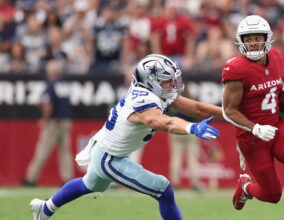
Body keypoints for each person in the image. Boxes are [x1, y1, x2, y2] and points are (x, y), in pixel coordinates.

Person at [29, 54, 223, 220]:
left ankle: (45, 209)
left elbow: (197, 108)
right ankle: (45, 209)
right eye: (167, 80)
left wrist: (232, 115)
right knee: (164, 190)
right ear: (151, 81)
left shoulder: (155, 91)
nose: (173, 84)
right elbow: (162, 122)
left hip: (105, 150)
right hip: (110, 158)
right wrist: (191, 127)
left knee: (88, 184)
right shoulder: (144, 99)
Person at [222, 15, 284, 220]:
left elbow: (274, 92)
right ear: (241, 41)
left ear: (267, 38)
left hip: (276, 126)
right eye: (248, 39)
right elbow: (228, 110)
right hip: (252, 138)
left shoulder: (278, 57)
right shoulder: (236, 69)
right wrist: (255, 128)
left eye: (257, 38)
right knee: (273, 195)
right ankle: (246, 187)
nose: (253, 43)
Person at [22, 60, 73, 186]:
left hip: (54, 122)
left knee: (42, 150)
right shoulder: (63, 85)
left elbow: (48, 105)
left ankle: (31, 178)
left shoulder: (51, 85)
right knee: (65, 152)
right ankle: (67, 179)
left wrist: (45, 118)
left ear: (51, 72)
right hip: (65, 121)